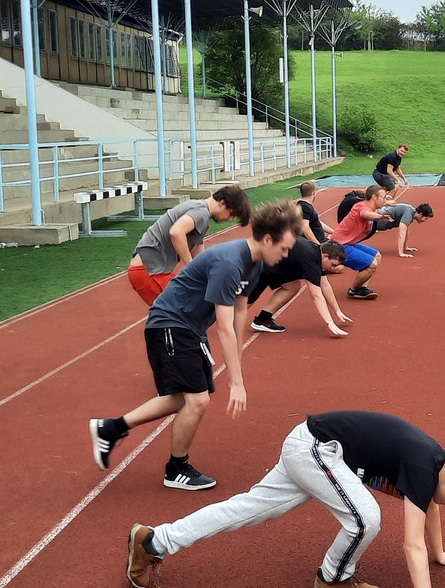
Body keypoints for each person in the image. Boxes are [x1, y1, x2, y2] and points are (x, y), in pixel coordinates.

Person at [124, 410, 445, 588]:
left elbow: (429, 507)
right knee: (365, 519)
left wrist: (440, 554)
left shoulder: (434, 462)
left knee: (246, 508)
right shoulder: (423, 466)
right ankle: (333, 578)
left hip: (309, 445)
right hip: (316, 449)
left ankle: (155, 541)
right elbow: (411, 543)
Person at [89, 199, 297, 490]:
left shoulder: (255, 263)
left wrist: (238, 363)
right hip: (171, 324)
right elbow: (223, 327)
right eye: (284, 248)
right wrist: (236, 381)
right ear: (267, 239)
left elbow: (240, 312)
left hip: (189, 328)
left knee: (182, 399)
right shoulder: (229, 263)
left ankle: (111, 428)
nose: (285, 255)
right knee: (197, 401)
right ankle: (176, 469)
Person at [126, 185, 252, 308]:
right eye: (231, 214)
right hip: (149, 271)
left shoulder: (200, 212)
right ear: (222, 203)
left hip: (153, 270)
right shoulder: (201, 212)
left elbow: (200, 257)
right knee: (183, 311)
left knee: (196, 300)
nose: (230, 219)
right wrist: (191, 267)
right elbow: (176, 232)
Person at [248, 237, 353, 338]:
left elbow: (325, 285)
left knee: (292, 286)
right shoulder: (311, 260)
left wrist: (337, 311)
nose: (333, 268)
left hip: (271, 265)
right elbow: (316, 295)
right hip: (258, 265)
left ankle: (263, 318)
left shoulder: (317, 253)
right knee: (244, 303)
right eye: (333, 264)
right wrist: (330, 322)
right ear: (325, 256)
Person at [332, 185, 395, 300]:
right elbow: (365, 214)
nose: (384, 200)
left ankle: (362, 288)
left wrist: (386, 203)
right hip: (339, 246)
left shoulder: (372, 207)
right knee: (372, 264)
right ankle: (353, 290)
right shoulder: (361, 206)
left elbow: (372, 210)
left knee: (377, 256)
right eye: (383, 197)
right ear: (374, 197)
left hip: (348, 243)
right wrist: (380, 217)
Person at [369, 201, 434, 257]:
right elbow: (402, 233)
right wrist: (401, 253)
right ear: (420, 214)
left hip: (380, 219)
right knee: (365, 232)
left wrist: (406, 247)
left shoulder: (412, 212)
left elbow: (406, 231)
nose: (425, 221)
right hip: (377, 219)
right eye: (425, 218)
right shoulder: (408, 214)